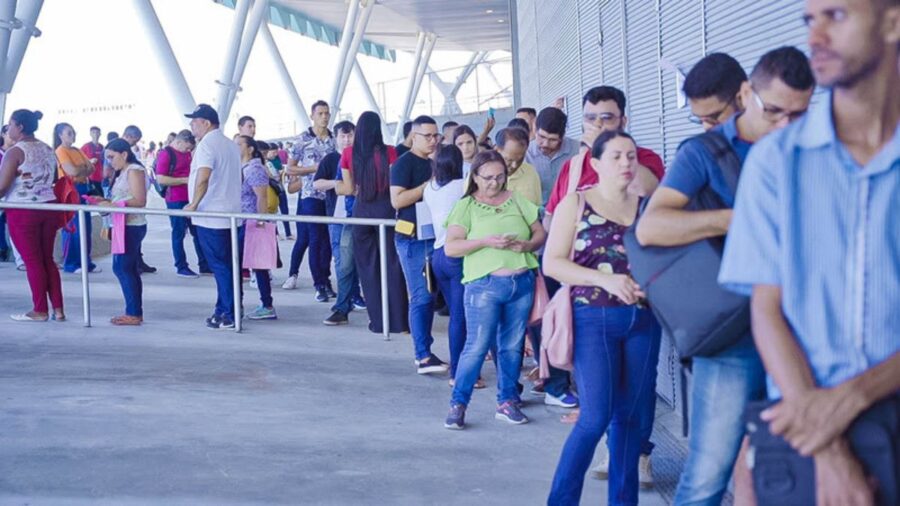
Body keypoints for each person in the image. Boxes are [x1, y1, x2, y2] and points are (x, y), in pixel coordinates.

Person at [720, 2, 900, 504]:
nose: (815, 34)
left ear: (892, 21)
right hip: (803, 433)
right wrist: (830, 454)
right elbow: (767, 308)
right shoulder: (776, 163)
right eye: (808, 18)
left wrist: (850, 398)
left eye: (836, 15)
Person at [636, 46, 815, 505]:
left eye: (712, 116)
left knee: (796, 469)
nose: (785, 123)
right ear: (748, 94)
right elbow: (652, 227)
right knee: (708, 474)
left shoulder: (813, 141)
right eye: (774, 110)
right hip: (734, 331)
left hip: (807, 331)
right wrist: (738, 217)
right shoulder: (703, 152)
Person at [546, 131, 662, 505]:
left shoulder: (648, 207)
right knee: (595, 417)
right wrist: (604, 279)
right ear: (594, 164)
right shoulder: (575, 204)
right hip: (592, 319)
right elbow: (553, 263)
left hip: (643, 321)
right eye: (615, 157)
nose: (626, 163)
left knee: (631, 422)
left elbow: (665, 262)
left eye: (631, 156)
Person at [443, 150, 546, 429]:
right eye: (487, 177)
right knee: (476, 348)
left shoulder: (516, 200)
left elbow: (539, 232)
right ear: (474, 177)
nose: (494, 183)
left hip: (521, 283)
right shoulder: (466, 206)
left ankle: (507, 401)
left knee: (512, 347)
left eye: (500, 176)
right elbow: (451, 247)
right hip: (483, 286)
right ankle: (458, 404)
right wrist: (486, 241)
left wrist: (527, 246)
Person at [545, 86, 665, 223]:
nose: (597, 124)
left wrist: (604, 148)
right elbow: (550, 216)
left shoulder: (644, 158)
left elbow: (644, 191)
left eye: (607, 118)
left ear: (623, 122)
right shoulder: (572, 166)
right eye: (590, 118)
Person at [336, 111, 409, 334]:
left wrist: (332, 185)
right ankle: (399, 323)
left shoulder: (348, 153)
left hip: (361, 212)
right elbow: (394, 183)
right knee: (392, 266)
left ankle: (377, 322)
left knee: (368, 269)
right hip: (386, 211)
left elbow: (347, 189)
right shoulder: (390, 152)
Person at [389, 115, 449, 374]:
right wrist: (428, 186)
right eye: (428, 136)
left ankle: (426, 351)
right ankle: (422, 354)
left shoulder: (435, 162)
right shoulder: (404, 164)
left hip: (435, 236)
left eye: (437, 136)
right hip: (412, 238)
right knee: (421, 296)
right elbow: (397, 201)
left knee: (431, 296)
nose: (434, 140)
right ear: (414, 136)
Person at [424, 145, 486, 388]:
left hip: (439, 255)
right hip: (459, 256)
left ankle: (459, 370)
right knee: (464, 318)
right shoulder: (462, 187)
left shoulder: (430, 188)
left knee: (456, 317)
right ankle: (460, 373)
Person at [0, 110, 64, 322]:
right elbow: (54, 177)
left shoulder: (15, 152)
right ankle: (58, 309)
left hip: (22, 210)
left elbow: (2, 187)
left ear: (19, 126)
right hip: (49, 207)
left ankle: (40, 310)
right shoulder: (47, 148)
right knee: (48, 260)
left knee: (32, 261)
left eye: (10, 124)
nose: (8, 129)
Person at [183, 104, 243, 329]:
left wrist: (193, 204)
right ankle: (228, 308)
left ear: (206, 123)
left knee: (221, 266)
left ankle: (228, 313)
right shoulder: (230, 144)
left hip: (211, 216)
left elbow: (204, 177)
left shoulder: (207, 144)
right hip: (230, 213)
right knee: (230, 265)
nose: (191, 125)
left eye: (194, 121)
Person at [313, 120, 365, 326]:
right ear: (336, 138)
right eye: (342, 136)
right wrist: (339, 183)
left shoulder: (362, 158)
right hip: (337, 217)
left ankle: (355, 295)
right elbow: (317, 183)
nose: (346, 139)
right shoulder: (330, 159)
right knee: (342, 262)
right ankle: (346, 301)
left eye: (350, 135)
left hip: (360, 216)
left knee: (358, 261)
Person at [283, 100, 335, 301]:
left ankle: (326, 279)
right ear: (312, 115)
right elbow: (290, 168)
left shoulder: (333, 140)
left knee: (329, 241)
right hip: (310, 195)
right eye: (320, 113)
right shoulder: (301, 140)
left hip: (331, 195)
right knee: (315, 239)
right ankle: (319, 284)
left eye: (326, 113)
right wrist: (313, 169)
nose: (324, 116)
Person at [95, 139, 148, 326]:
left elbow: (140, 200)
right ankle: (134, 311)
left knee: (123, 268)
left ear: (124, 154)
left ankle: (133, 312)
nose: (109, 161)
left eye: (111, 156)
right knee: (127, 268)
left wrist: (112, 204)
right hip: (124, 224)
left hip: (131, 225)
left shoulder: (134, 170)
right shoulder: (125, 171)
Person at [155, 129, 208, 277]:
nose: (188, 151)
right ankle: (181, 266)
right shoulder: (166, 154)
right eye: (187, 147)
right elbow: (161, 179)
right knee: (178, 233)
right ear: (179, 142)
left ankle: (204, 264)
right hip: (175, 199)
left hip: (190, 197)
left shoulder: (186, 153)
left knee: (196, 231)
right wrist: (185, 180)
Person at [236, 135, 277, 321]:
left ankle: (266, 304)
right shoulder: (242, 167)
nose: (235, 147)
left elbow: (262, 197)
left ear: (250, 148)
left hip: (251, 223)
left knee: (257, 265)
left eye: (239, 144)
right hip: (242, 221)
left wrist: (260, 222)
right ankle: (241, 303)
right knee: (249, 266)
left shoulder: (254, 168)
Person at [54, 122, 100, 274]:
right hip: (70, 190)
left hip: (83, 188)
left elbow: (91, 168)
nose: (73, 135)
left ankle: (86, 261)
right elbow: (72, 171)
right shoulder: (60, 151)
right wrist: (83, 168)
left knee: (86, 226)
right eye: (69, 133)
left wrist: (81, 170)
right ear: (60, 135)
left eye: (73, 132)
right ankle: (71, 263)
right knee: (73, 227)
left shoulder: (77, 150)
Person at [525, 107, 580, 205]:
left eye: (553, 140)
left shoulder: (578, 151)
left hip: (572, 210)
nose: (545, 144)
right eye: (541, 137)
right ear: (535, 129)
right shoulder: (525, 153)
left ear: (562, 136)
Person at [121, 124, 156, 274]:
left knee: (135, 233)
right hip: (125, 198)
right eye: (135, 140)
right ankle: (133, 263)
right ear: (128, 136)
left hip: (135, 200)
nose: (135, 144)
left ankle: (138, 260)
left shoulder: (130, 153)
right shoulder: (117, 150)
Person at [683, 52, 748, 131]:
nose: (706, 127)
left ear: (741, 99)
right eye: (700, 119)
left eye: (713, 118)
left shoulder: (766, 139)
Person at [495, 127, 541, 206]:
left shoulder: (530, 172)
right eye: (509, 160)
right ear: (497, 151)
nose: (514, 165)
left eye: (520, 160)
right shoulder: (479, 176)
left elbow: (537, 207)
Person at [80, 126, 104, 196]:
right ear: (90, 134)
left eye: (97, 132)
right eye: (93, 132)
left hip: (101, 177)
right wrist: (89, 161)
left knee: (101, 197)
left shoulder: (102, 147)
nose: (95, 134)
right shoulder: (86, 146)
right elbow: (78, 160)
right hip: (90, 177)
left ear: (100, 134)